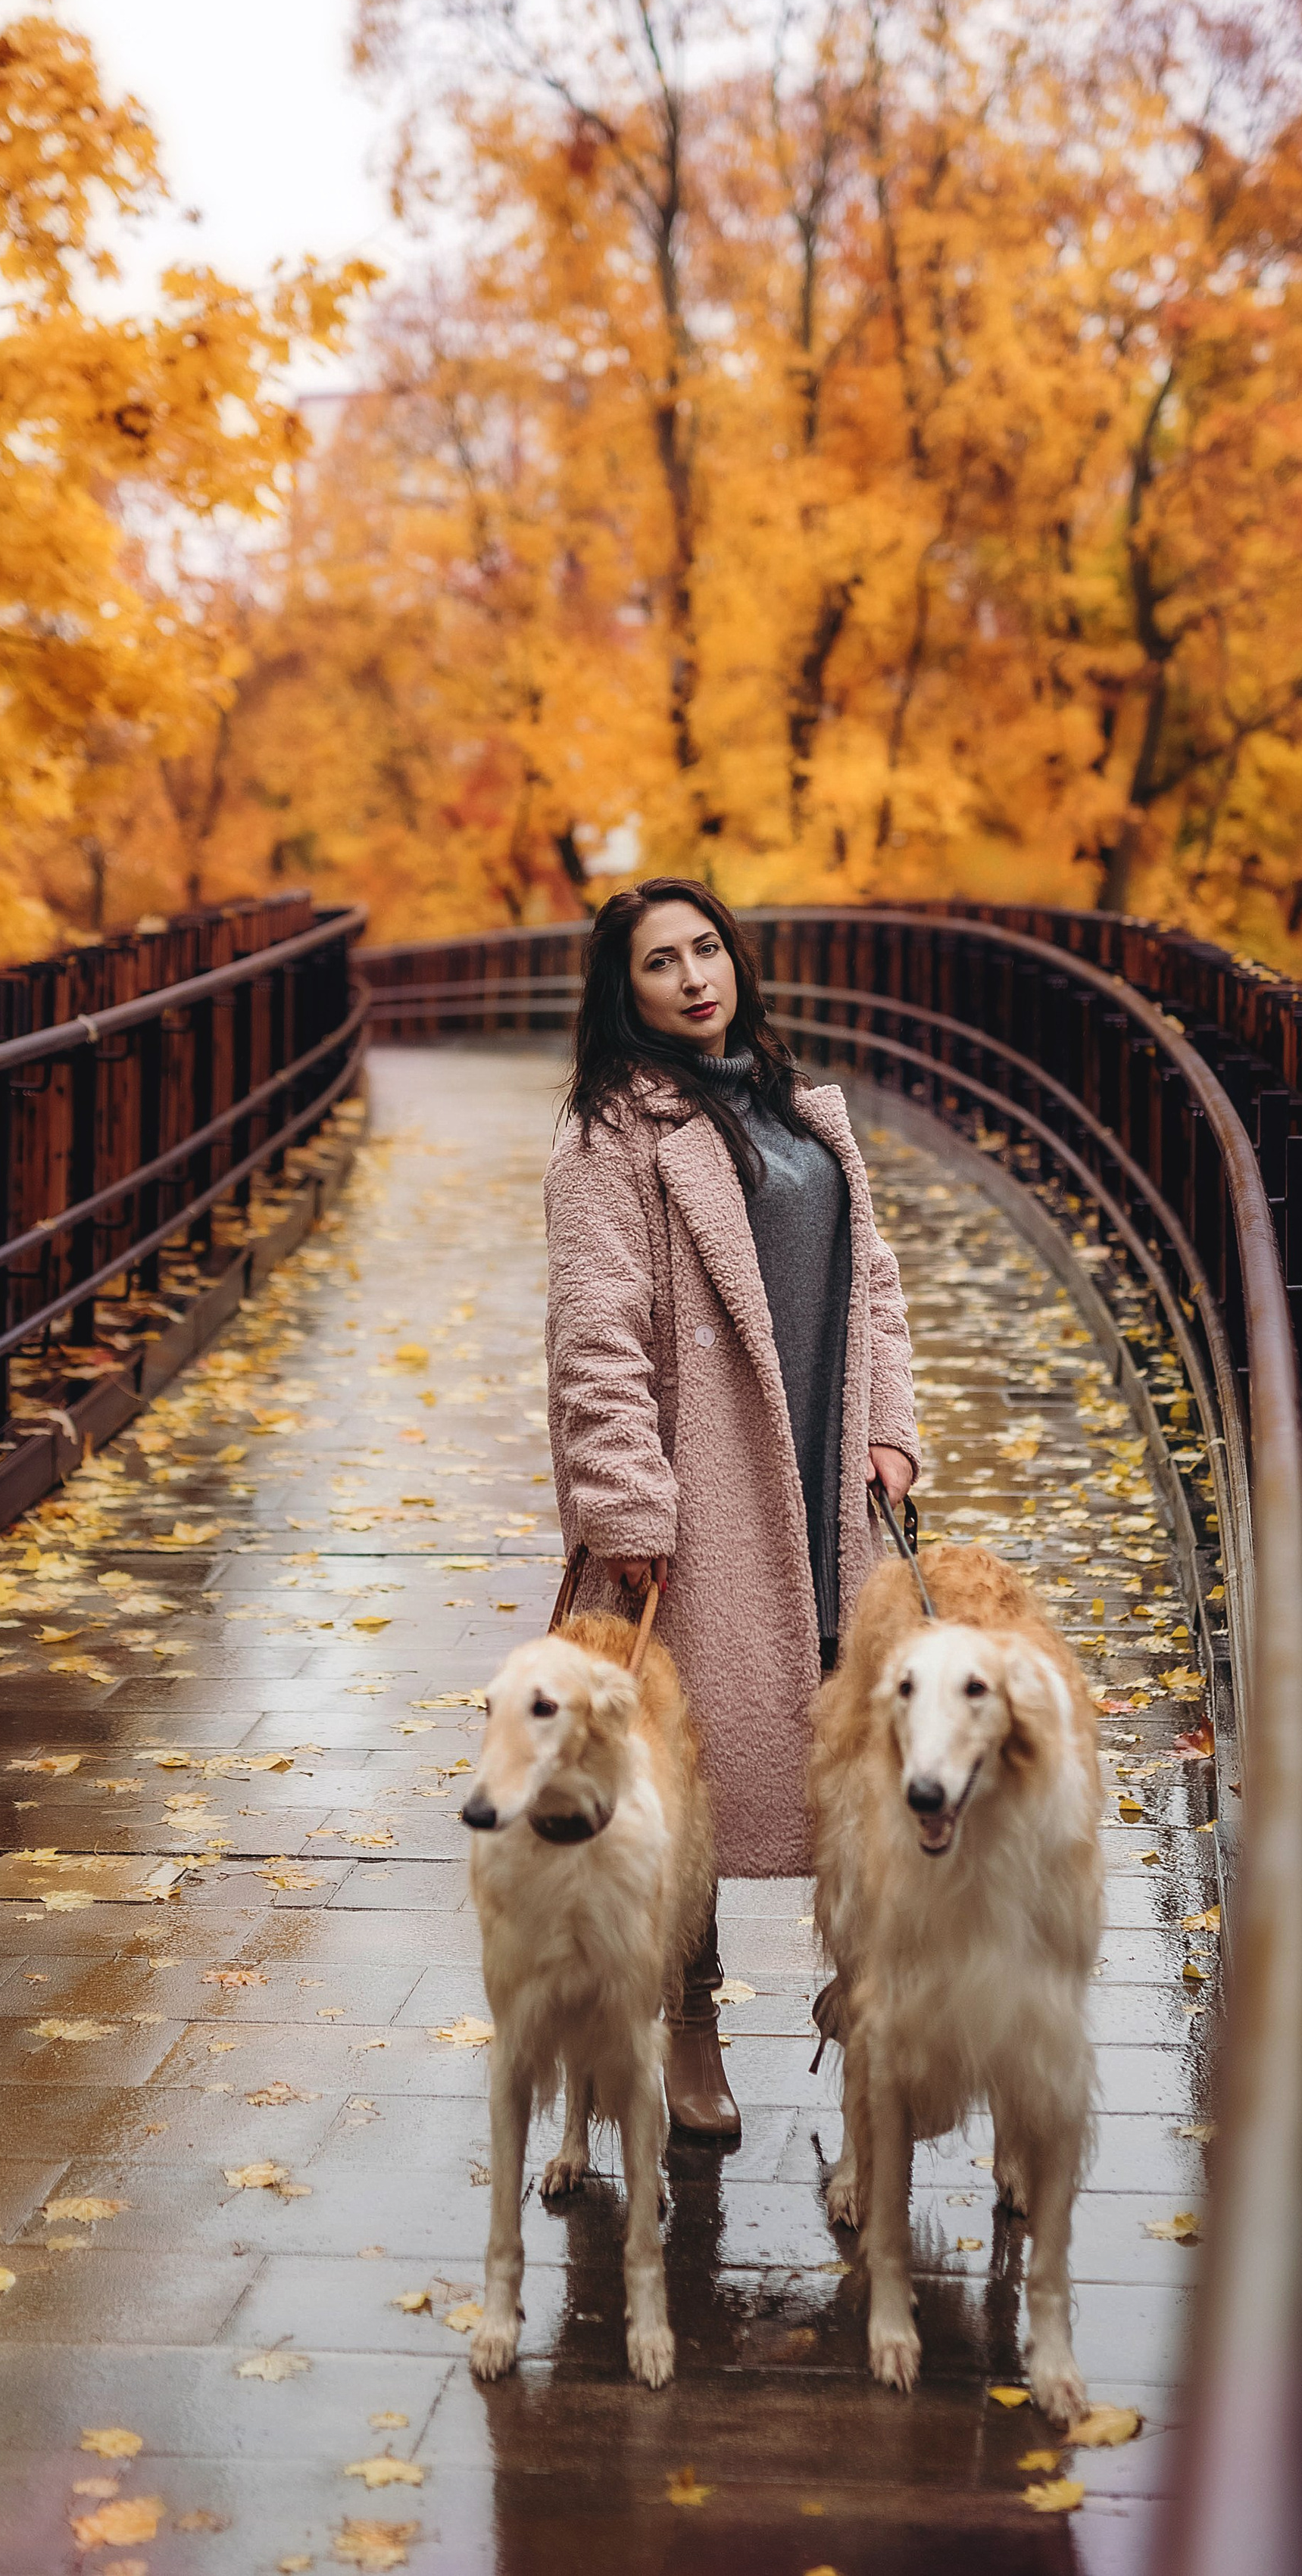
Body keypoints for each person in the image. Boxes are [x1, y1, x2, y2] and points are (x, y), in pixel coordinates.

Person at [543, 878, 919, 2138]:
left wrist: (888, 1429)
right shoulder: (611, 1135)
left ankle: (858, 1979)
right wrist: (628, 1501)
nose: (696, 977)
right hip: (704, 1492)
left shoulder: (802, 1103)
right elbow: (595, 1335)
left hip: (823, 1469)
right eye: (662, 963)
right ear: (624, 991)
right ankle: (687, 2020)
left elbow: (876, 1280)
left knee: (858, 1737)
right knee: (693, 1759)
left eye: (709, 950)